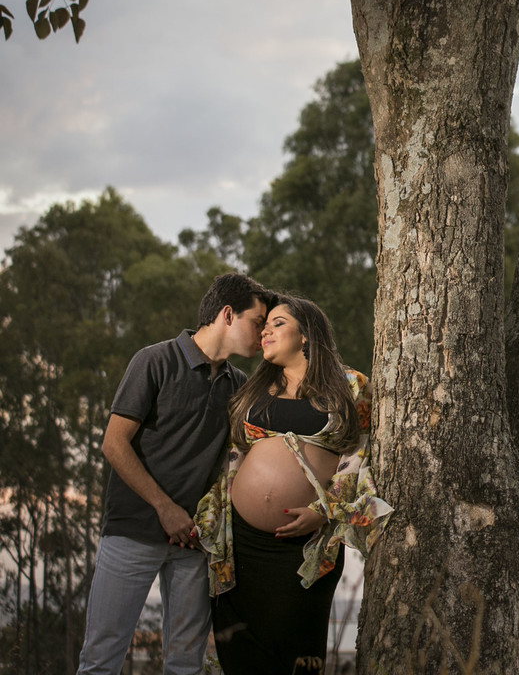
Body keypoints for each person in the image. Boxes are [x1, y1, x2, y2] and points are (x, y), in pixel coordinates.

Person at [76, 272, 272, 675]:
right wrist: (164, 507)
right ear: (228, 315)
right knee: (100, 659)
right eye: (258, 322)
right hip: (132, 532)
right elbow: (114, 444)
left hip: (193, 544)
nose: (263, 333)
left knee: (185, 664)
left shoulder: (238, 385)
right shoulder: (154, 361)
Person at [194, 294, 392, 675]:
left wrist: (323, 512)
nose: (265, 329)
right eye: (264, 323)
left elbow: (359, 455)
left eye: (278, 323)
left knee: (298, 653)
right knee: (239, 651)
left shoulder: (350, 386)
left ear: (307, 334)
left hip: (305, 546)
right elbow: (234, 456)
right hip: (241, 544)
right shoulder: (252, 392)